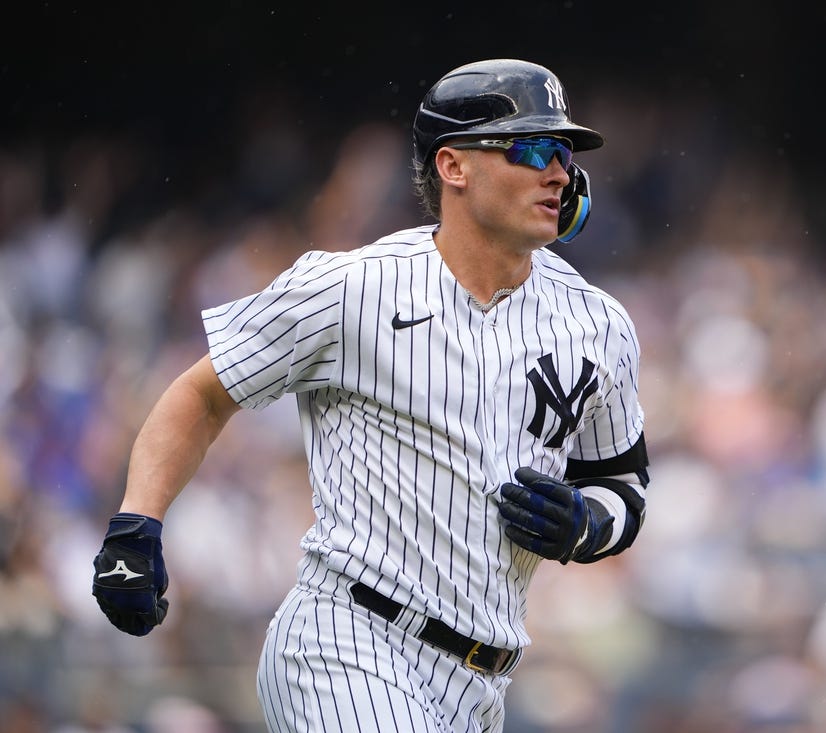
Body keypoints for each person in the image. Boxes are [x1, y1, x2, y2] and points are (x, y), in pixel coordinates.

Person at [91, 58, 649, 733]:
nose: (558, 171)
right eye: (531, 148)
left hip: (481, 681)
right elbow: (203, 395)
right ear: (454, 166)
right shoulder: (353, 288)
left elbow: (621, 482)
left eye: (564, 152)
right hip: (348, 638)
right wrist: (136, 525)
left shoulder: (599, 325)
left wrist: (585, 525)